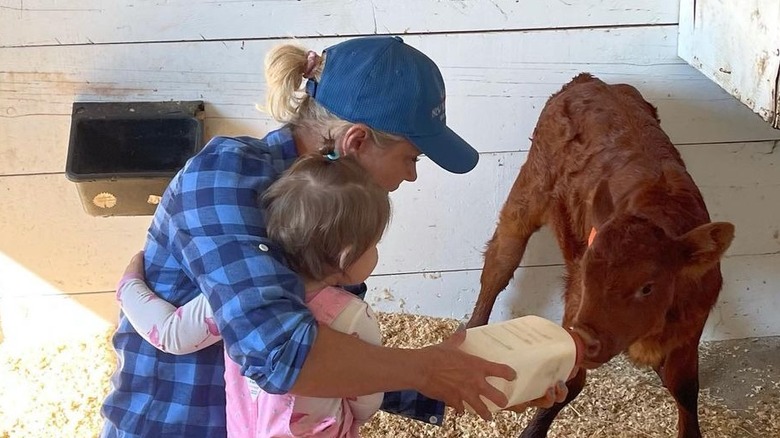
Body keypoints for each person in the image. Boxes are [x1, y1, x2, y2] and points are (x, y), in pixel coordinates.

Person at [101, 36, 567, 438]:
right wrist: (428, 369)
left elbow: (337, 353)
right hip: (181, 421)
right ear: (357, 141)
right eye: (413, 158)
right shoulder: (225, 177)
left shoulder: (336, 212)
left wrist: (476, 380)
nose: (411, 177)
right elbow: (281, 353)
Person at [118, 153, 392, 437]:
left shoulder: (239, 296)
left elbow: (169, 334)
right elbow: (367, 394)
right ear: (347, 255)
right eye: (374, 244)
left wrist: (129, 286)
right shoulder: (353, 317)